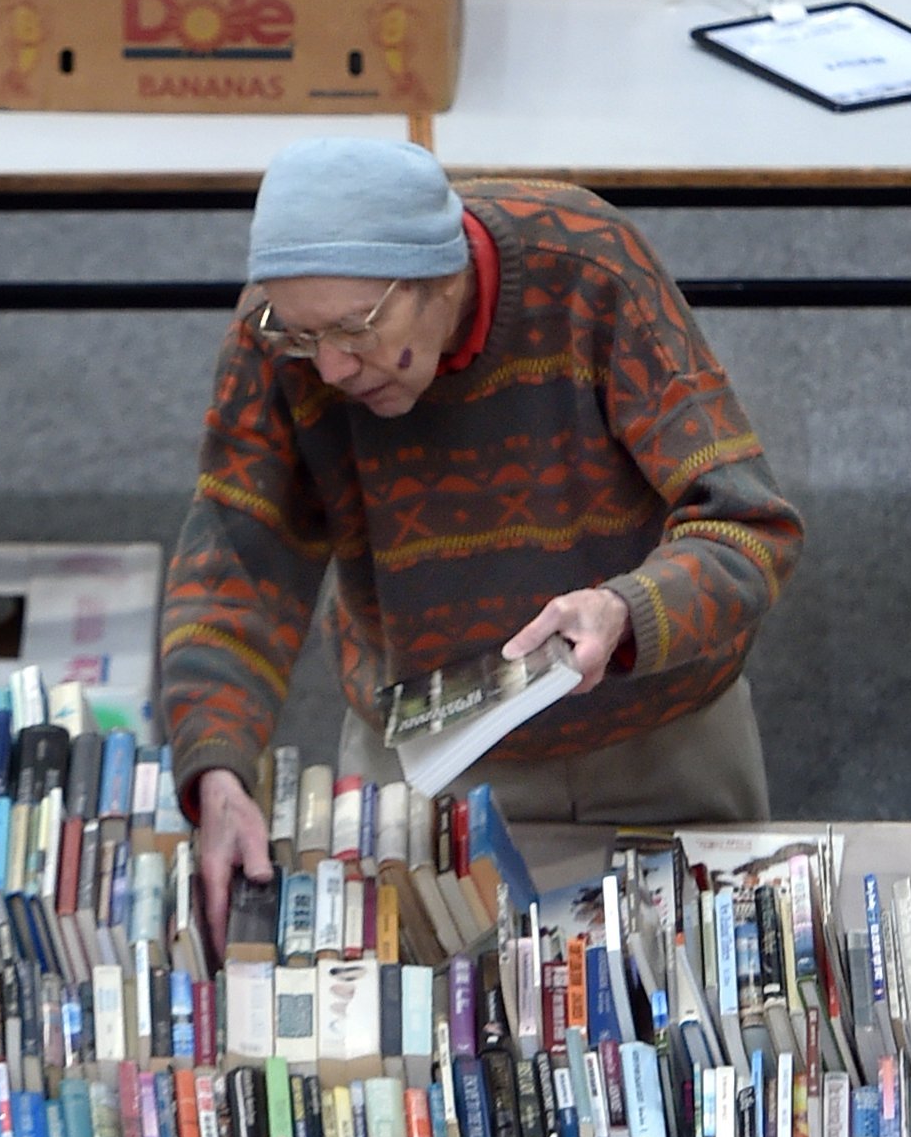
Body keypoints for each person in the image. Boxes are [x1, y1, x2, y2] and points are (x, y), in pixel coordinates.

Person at [162, 138, 804, 950]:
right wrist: (217, 767)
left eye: (357, 329)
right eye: (302, 336)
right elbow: (237, 567)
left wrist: (628, 610)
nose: (330, 366)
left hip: (658, 741)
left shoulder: (588, 268)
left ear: (445, 276)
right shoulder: (283, 334)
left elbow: (750, 527)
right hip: (431, 769)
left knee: (709, 999)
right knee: (438, 1035)